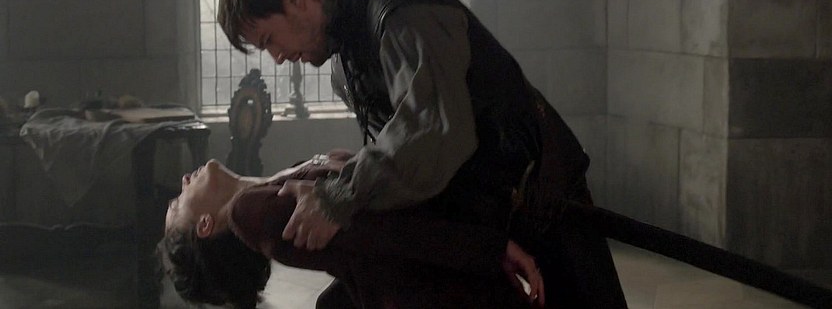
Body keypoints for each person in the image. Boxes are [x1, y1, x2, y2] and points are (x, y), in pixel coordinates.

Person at [217, 0, 627, 308]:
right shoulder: (344, 65)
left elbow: (433, 135)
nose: (277, 57)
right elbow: (408, 163)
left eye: (268, 39)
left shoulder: (402, 13)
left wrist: (339, 195)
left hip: (545, 198)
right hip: (479, 218)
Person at [158, 157, 543, 309]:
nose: (184, 180)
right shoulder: (253, 214)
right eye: (178, 203)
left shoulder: (266, 193)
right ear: (205, 225)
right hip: (451, 280)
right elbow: (386, 233)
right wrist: (487, 249)